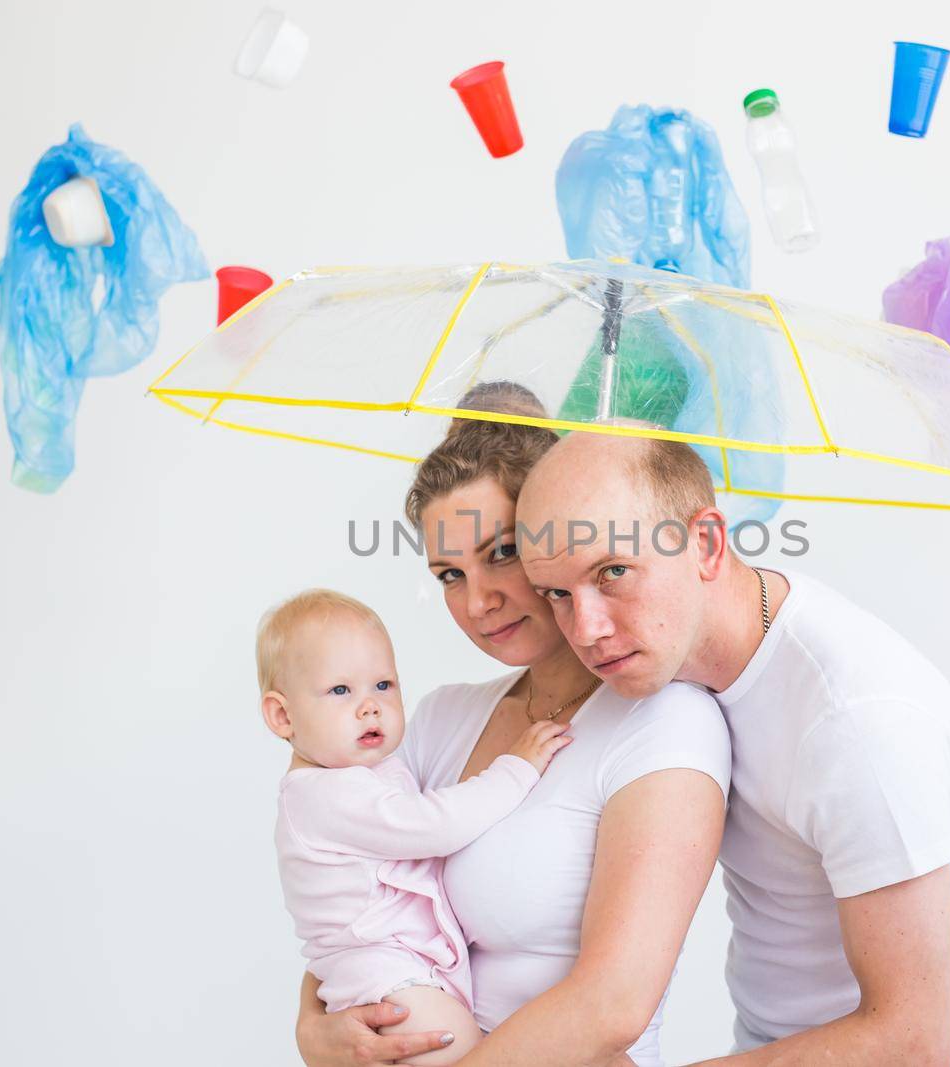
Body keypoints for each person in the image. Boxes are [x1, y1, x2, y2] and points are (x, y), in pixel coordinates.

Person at [513, 430, 950, 1067]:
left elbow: (911, 1042)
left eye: (612, 572)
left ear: (705, 544)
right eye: (557, 593)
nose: (585, 630)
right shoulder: (666, 666)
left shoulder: (858, 722)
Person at [294, 383, 732, 1067]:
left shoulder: (665, 723)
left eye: (500, 553)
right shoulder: (440, 719)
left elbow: (612, 1005)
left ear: (550, 535)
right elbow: (358, 888)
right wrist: (312, 1023)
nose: (478, 601)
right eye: (448, 573)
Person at [259, 588, 573, 1066]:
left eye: (383, 685)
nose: (369, 707)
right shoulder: (323, 793)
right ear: (283, 715)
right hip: (386, 976)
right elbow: (436, 825)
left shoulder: (368, 772)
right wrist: (516, 768)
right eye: (340, 691)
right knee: (456, 1048)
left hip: (409, 971)